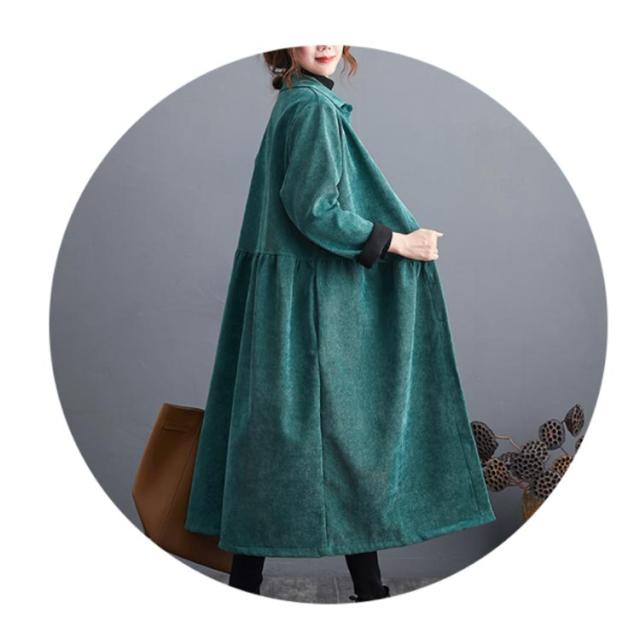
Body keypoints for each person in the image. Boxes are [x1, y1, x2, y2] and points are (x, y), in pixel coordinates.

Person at [184, 45, 496, 602]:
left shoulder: (293, 103)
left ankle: (262, 589)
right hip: (312, 311)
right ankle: (362, 594)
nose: (324, 40)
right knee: (348, 445)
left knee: (274, 450)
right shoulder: (311, 109)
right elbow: (313, 209)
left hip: (288, 306)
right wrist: (399, 243)